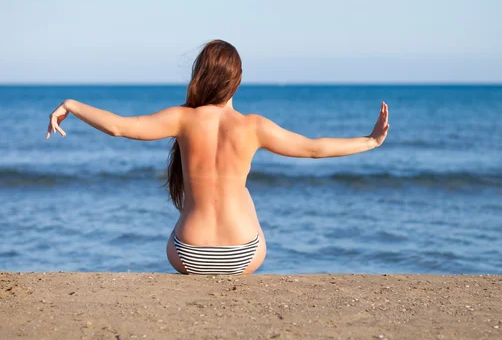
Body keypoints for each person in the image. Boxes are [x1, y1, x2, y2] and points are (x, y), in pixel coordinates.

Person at [45, 40, 390, 275]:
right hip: (244, 253)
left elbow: (121, 127)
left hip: (187, 254)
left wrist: (72, 105)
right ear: (237, 81)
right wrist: (370, 141)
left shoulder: (182, 119)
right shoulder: (253, 126)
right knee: (241, 193)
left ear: (200, 77)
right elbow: (314, 148)